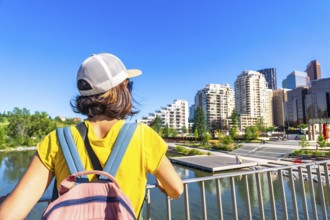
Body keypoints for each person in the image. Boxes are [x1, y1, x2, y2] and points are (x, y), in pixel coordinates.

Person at [0, 53, 183, 219]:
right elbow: (176, 189)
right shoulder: (142, 136)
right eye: (129, 86)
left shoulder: (56, 140)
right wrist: (161, 184)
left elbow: (10, 214)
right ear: (121, 89)